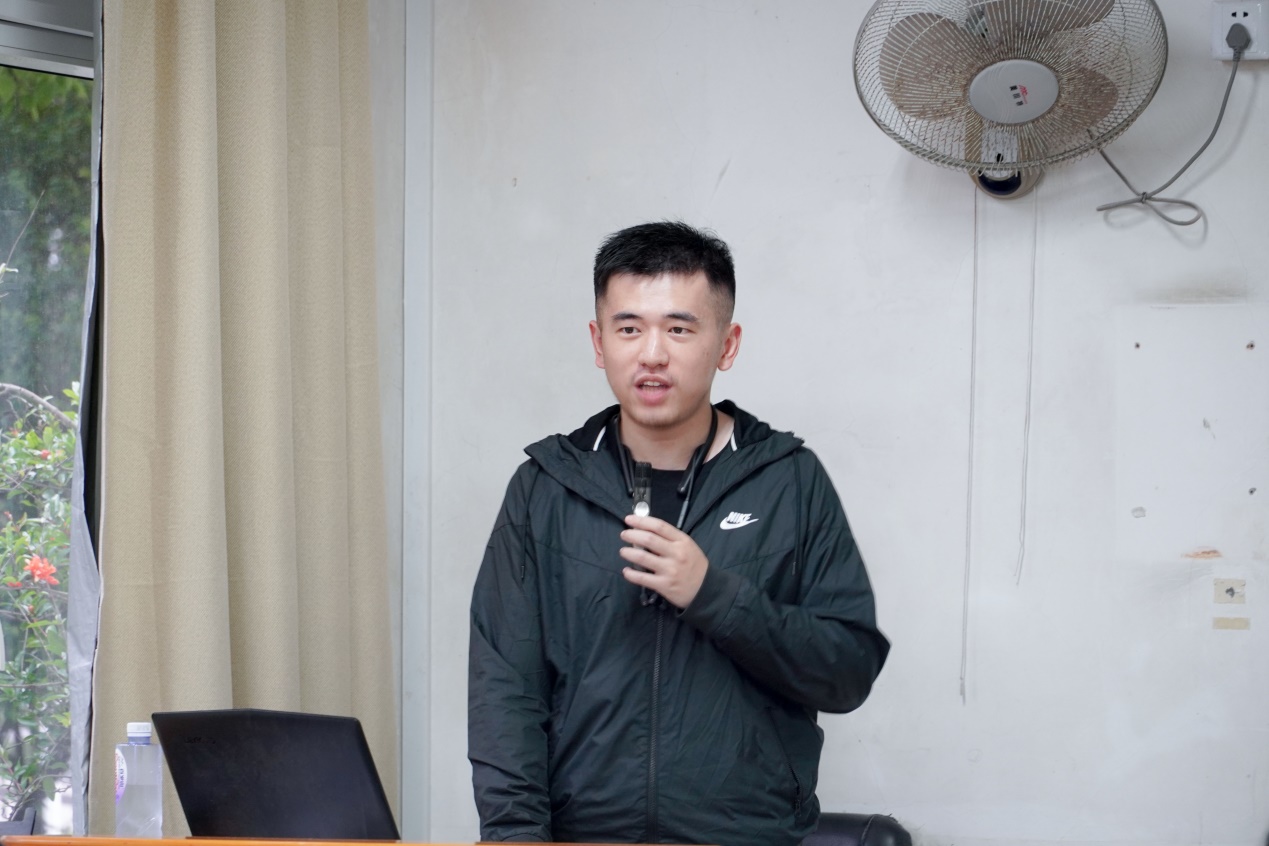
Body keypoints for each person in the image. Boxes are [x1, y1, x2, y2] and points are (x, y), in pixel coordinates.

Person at [468, 221, 889, 846]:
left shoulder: (788, 481)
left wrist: (713, 595)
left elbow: (847, 672)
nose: (652, 354)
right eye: (629, 328)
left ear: (727, 344)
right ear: (598, 342)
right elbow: (504, 691)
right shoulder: (545, 487)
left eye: (679, 329)